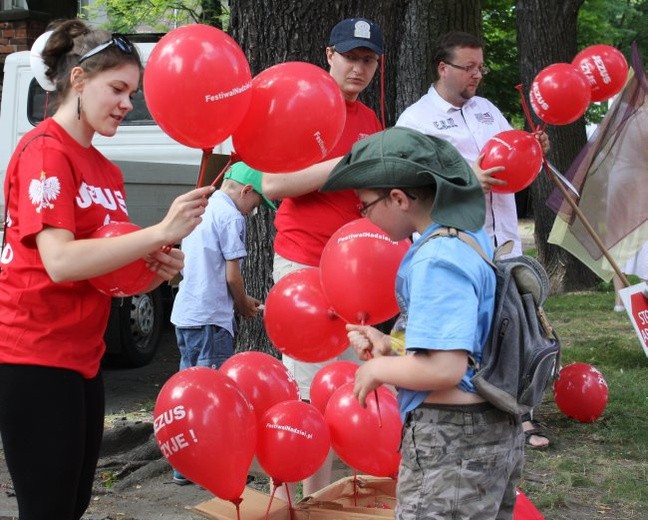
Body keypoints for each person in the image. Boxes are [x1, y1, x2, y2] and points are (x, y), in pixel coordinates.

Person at [0, 20, 213, 520]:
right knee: (48, 507)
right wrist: (159, 231)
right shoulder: (45, 150)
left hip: (83, 356)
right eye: (116, 88)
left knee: (71, 504)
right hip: (33, 355)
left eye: (131, 93)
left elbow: (108, 270)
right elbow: (60, 261)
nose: (126, 103)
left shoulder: (105, 169)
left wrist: (157, 269)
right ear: (77, 80)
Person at [321, 126, 524, 519]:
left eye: (365, 204)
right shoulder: (468, 238)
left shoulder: (436, 258)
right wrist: (392, 347)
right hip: (488, 431)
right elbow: (466, 339)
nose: (362, 215)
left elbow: (447, 367)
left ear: (398, 198)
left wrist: (379, 369)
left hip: (453, 439)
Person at [396, 30, 550, 449]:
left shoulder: (486, 111)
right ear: (443, 68)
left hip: (504, 239)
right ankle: (471, 409)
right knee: (471, 334)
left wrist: (533, 147)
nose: (476, 76)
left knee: (513, 328)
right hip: (458, 248)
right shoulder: (416, 120)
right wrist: (466, 180)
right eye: (468, 68)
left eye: (480, 67)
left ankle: (520, 414)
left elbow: (510, 155)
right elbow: (409, 182)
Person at [262, 17, 386, 497]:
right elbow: (273, 184)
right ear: (328, 55)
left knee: (348, 389)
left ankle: (324, 500)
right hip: (304, 266)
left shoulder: (370, 121)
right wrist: (342, 165)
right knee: (308, 393)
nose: (358, 68)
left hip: (356, 274)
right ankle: (297, 503)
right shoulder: (302, 105)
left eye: (368, 60)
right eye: (350, 57)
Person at [169, 161, 275, 485]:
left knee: (187, 394)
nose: (252, 213)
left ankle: (183, 466)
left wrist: (243, 299)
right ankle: (214, 467)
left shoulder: (202, 207)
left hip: (185, 315)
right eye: (255, 205)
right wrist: (243, 305)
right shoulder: (231, 216)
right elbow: (231, 274)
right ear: (245, 191)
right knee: (214, 396)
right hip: (211, 320)